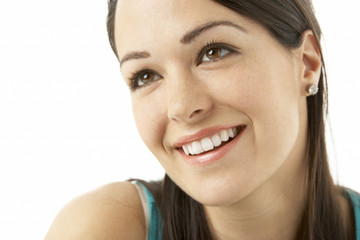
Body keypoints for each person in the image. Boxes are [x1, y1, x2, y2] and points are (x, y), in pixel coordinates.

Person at [45, 0, 360, 239]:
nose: (181, 107)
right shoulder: (102, 228)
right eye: (146, 76)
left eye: (214, 52)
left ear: (306, 63)